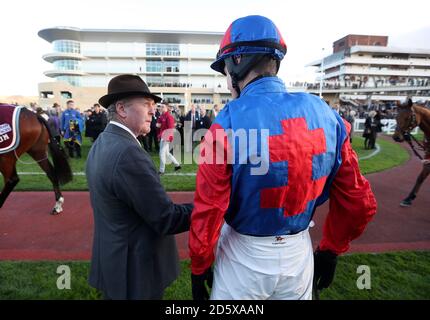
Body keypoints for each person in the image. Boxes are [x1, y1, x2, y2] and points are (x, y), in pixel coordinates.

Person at [188, 15, 377, 300]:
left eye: (225, 70)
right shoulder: (327, 114)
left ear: (237, 62)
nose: (227, 82)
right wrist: (331, 248)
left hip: (243, 257)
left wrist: (199, 265)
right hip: (298, 255)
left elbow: (209, 207)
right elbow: (358, 202)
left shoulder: (226, 121)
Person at [86, 74, 193, 300]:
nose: (153, 111)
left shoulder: (104, 142)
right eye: (146, 104)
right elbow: (166, 218)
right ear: (122, 109)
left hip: (117, 260)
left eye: (153, 105)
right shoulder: (127, 152)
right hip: (135, 269)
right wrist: (211, 206)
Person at [157, 102, 182, 175]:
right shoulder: (161, 116)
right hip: (162, 136)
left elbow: (171, 129)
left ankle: (161, 170)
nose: (161, 108)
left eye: (163, 107)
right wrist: (159, 135)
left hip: (166, 137)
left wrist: (169, 138)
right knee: (167, 153)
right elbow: (158, 126)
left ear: (167, 108)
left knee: (161, 153)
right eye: (161, 107)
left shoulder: (169, 116)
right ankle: (177, 165)